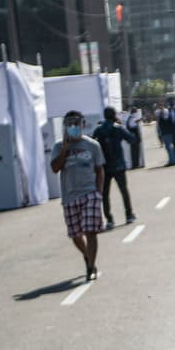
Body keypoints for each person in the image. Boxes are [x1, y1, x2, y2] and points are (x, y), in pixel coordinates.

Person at [50, 110, 105, 281]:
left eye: (77, 123)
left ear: (83, 124)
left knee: (91, 231)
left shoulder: (93, 145)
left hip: (90, 193)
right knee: (75, 235)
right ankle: (87, 255)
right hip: (70, 196)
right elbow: (55, 168)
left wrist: (99, 192)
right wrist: (66, 149)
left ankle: (91, 267)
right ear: (65, 126)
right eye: (70, 124)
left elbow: (99, 170)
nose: (73, 127)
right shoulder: (58, 146)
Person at [93, 106, 137, 229]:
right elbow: (132, 139)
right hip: (119, 165)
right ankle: (129, 215)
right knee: (124, 190)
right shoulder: (118, 128)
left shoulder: (98, 129)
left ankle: (109, 220)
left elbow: (93, 143)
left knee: (105, 194)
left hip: (104, 166)